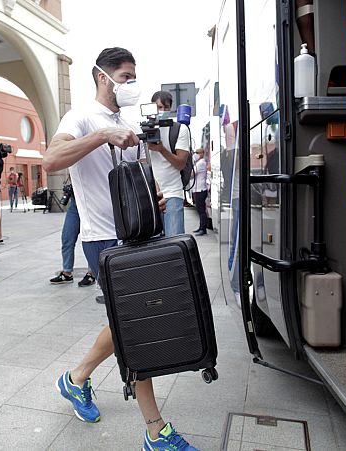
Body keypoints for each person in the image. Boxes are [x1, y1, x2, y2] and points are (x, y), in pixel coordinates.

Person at [42, 47, 200, 451]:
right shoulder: (80, 117)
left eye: (133, 76)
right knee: (136, 326)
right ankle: (156, 431)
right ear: (102, 77)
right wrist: (99, 136)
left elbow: (140, 175)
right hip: (103, 238)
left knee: (128, 320)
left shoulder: (129, 121)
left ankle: (76, 379)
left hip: (139, 231)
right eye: (125, 76)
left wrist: (154, 199)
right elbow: (51, 159)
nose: (131, 84)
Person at [148, 91, 191, 236]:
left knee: (174, 242)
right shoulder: (145, 129)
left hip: (172, 193)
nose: (163, 111)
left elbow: (181, 164)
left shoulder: (179, 129)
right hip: (150, 194)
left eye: (166, 108)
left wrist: (161, 149)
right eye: (159, 107)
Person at [48, 197, 96, 286]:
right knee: (67, 237)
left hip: (91, 203)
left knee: (90, 239)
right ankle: (67, 273)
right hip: (75, 203)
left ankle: (92, 273)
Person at [191, 148, 208, 235]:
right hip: (198, 189)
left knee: (201, 210)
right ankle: (201, 227)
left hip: (200, 190)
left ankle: (203, 229)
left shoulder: (201, 163)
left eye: (197, 153)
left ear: (201, 153)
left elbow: (191, 175)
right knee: (200, 209)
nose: (195, 154)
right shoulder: (199, 163)